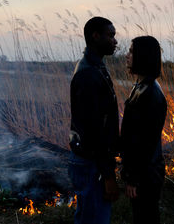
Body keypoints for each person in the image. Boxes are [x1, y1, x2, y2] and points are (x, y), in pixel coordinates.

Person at [68, 16, 120, 224]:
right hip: (91, 164)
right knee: (94, 218)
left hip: (90, 162)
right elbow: (93, 131)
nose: (115, 41)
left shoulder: (94, 66)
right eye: (111, 35)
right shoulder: (88, 73)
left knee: (88, 217)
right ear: (95, 36)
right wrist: (108, 175)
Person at [120, 36, 167, 224]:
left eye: (131, 51)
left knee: (146, 217)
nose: (126, 56)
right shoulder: (141, 86)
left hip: (146, 175)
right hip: (144, 172)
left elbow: (146, 141)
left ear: (143, 55)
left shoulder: (150, 92)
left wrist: (133, 178)